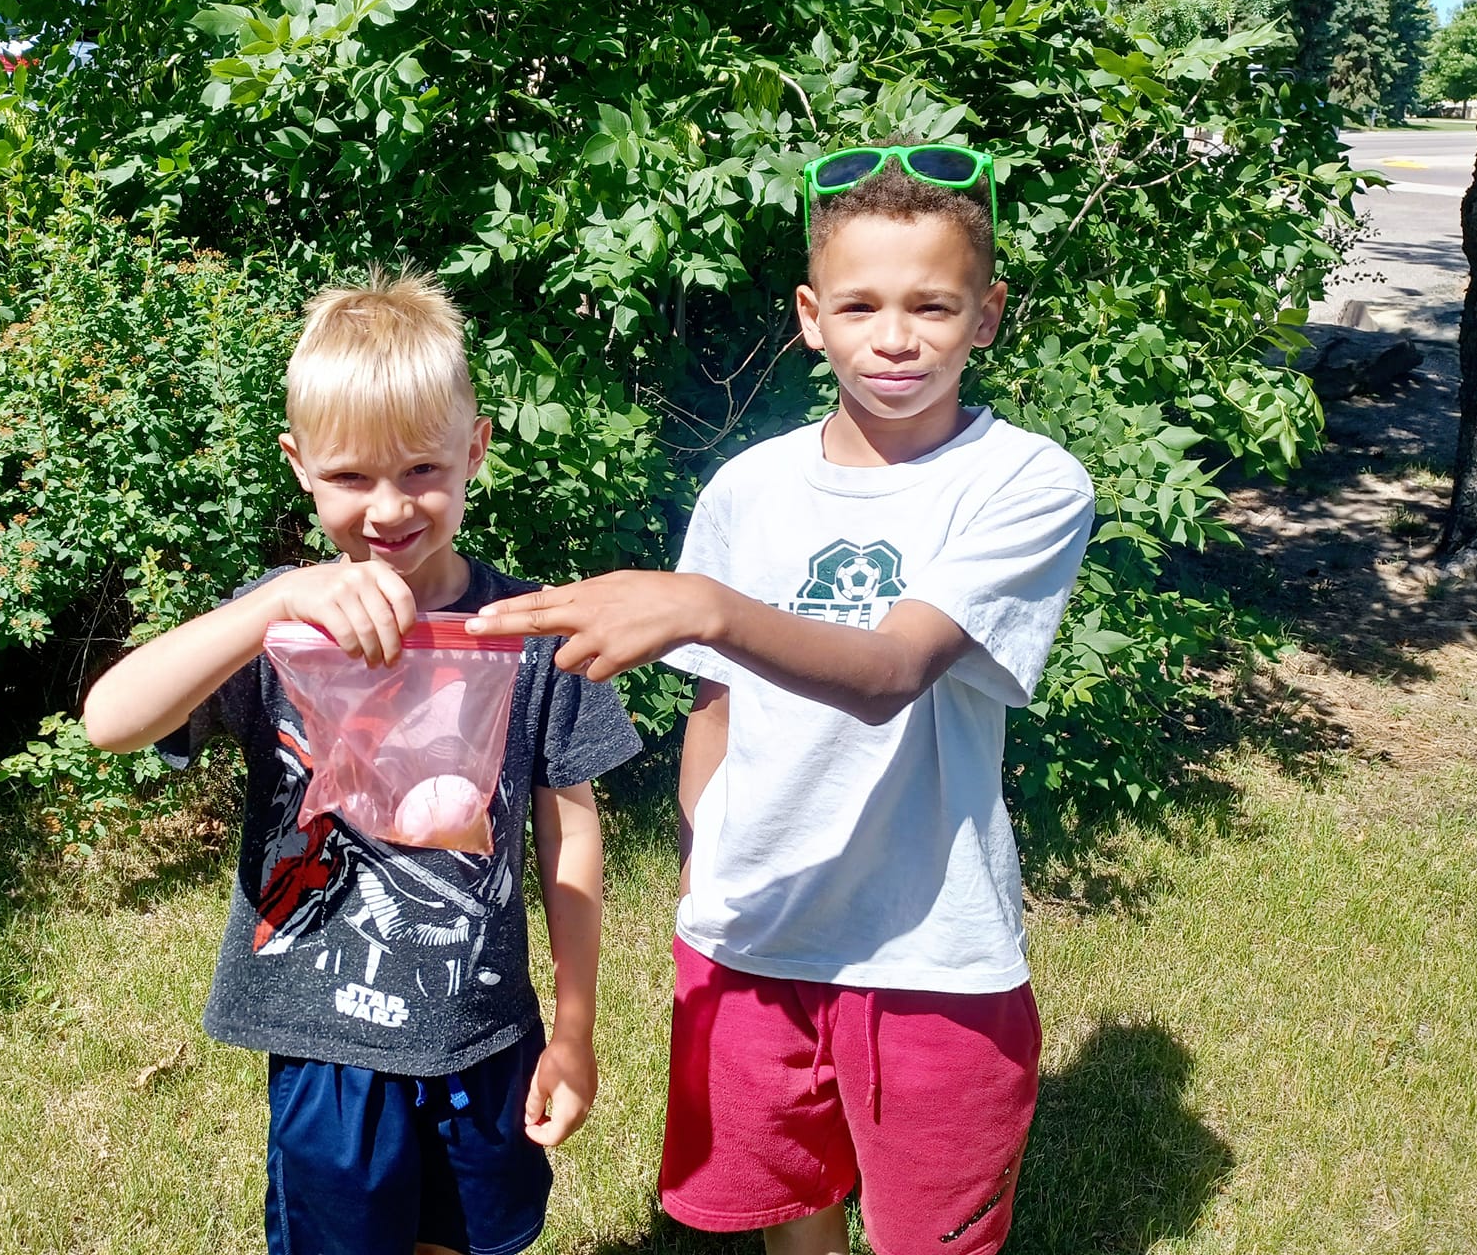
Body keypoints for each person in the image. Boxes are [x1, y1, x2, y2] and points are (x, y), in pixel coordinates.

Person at [469, 140, 1094, 1254]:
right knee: (785, 1212)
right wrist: (704, 851)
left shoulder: (1025, 482)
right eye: (858, 305)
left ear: (987, 315)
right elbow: (715, 705)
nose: (893, 337)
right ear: (810, 316)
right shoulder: (748, 489)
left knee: (930, 1233)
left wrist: (705, 604)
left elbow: (892, 673)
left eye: (931, 306)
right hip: (751, 930)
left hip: (930, 940)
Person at [83, 270, 641, 1255]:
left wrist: (576, 1023)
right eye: (349, 477)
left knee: (466, 1239)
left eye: (421, 469)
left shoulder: (529, 630)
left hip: (482, 1030)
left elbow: (570, 824)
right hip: (324, 1045)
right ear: (298, 466)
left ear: (475, 450)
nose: (388, 509)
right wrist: (269, 606)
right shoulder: (280, 623)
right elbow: (110, 721)